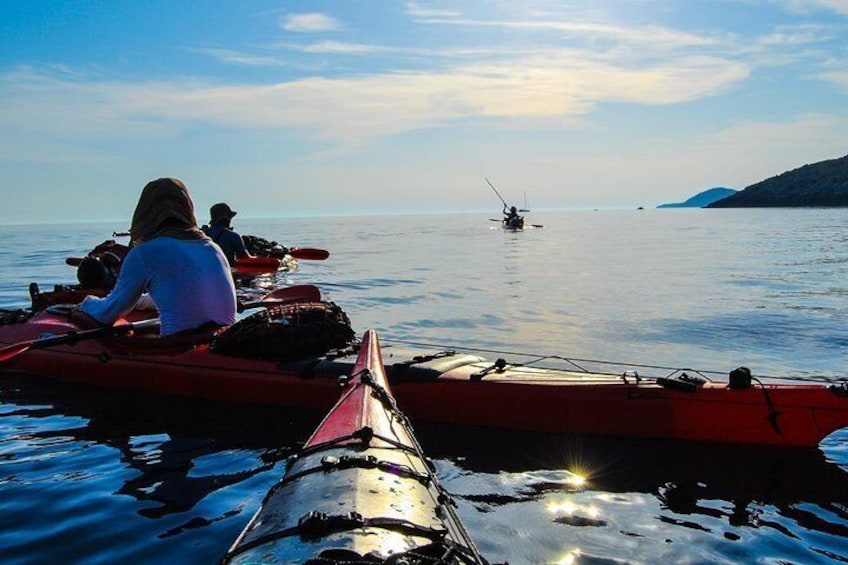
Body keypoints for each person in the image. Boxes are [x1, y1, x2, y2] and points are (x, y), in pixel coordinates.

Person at [73, 178, 237, 337]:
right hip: (221, 339)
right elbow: (183, 294)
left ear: (144, 211)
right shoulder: (213, 248)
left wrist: (87, 303)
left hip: (178, 348)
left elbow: (108, 313)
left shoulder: (145, 251)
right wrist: (140, 301)